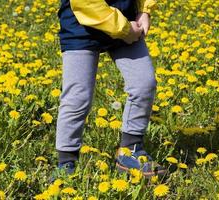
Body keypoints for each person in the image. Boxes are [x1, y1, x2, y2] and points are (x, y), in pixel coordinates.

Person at [53, 0, 166, 179]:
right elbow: (85, 3)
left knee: (144, 83)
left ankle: (131, 151)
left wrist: (145, 10)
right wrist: (125, 30)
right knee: (77, 97)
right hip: (81, 27)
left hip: (126, 21)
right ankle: (66, 163)